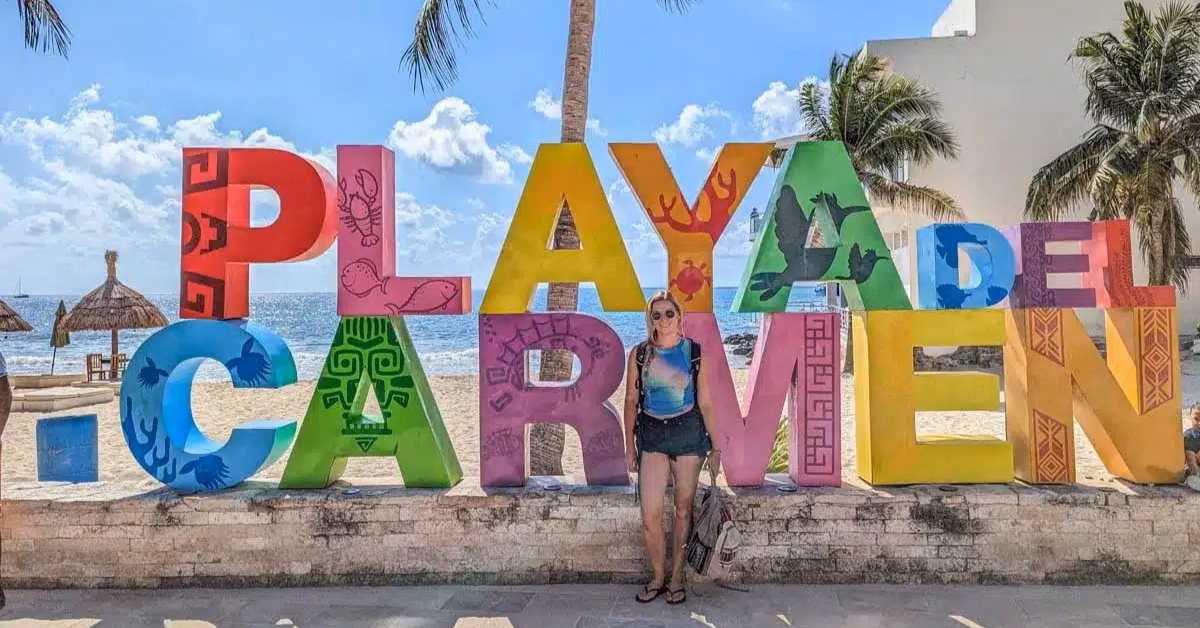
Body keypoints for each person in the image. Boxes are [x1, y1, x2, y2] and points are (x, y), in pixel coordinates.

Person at [623, 291, 720, 606]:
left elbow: (705, 401)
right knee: (650, 515)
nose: (662, 320)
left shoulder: (694, 352)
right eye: (656, 315)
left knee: (683, 510)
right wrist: (629, 447)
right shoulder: (639, 355)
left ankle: (678, 577)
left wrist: (715, 446)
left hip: (689, 434)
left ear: (680, 317)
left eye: (668, 313)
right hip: (652, 436)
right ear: (649, 319)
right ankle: (658, 576)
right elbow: (630, 401)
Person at [1184, 404, 1200, 491]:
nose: (1199, 423)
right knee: (1189, 453)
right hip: (1192, 463)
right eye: (1196, 419)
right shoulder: (1188, 434)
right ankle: (1195, 475)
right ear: (1190, 417)